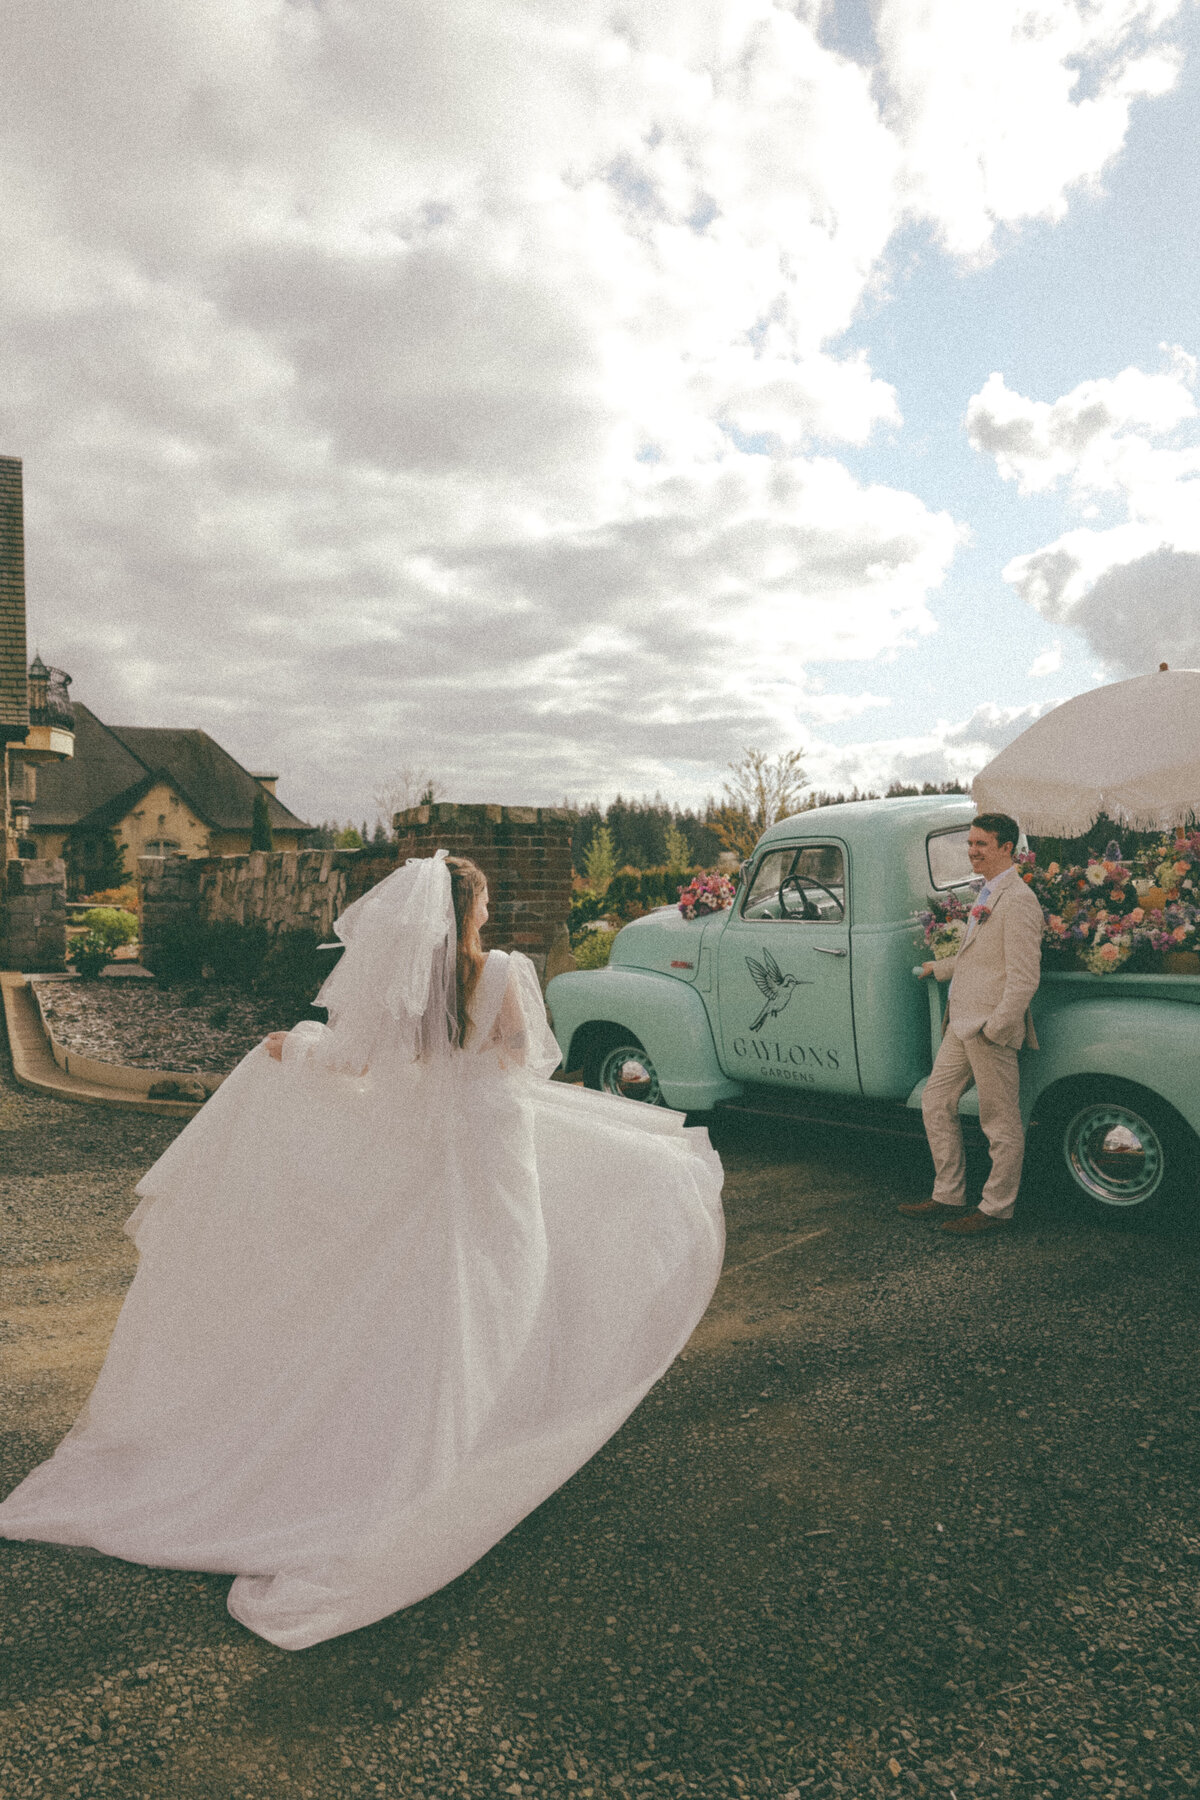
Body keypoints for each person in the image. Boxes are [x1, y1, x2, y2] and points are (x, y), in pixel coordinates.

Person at [0, 851, 724, 1649]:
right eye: (480, 902)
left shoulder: (405, 988)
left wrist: (295, 1048)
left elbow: (362, 1066)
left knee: (436, 1292)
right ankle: (470, 1443)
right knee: (502, 1283)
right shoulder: (506, 973)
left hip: (436, 1154)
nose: (484, 914)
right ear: (469, 908)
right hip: (495, 1151)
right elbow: (526, 1061)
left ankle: (440, 1441)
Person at [900, 812, 1042, 1236]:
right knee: (935, 1101)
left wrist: (996, 1027)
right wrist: (940, 968)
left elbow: (1023, 977)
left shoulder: (1018, 900)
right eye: (970, 843)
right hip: (961, 1022)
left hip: (986, 1028)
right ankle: (948, 1193)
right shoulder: (988, 892)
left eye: (981, 844)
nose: (972, 851)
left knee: (999, 1122)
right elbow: (978, 956)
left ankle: (996, 1208)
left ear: (1006, 849)